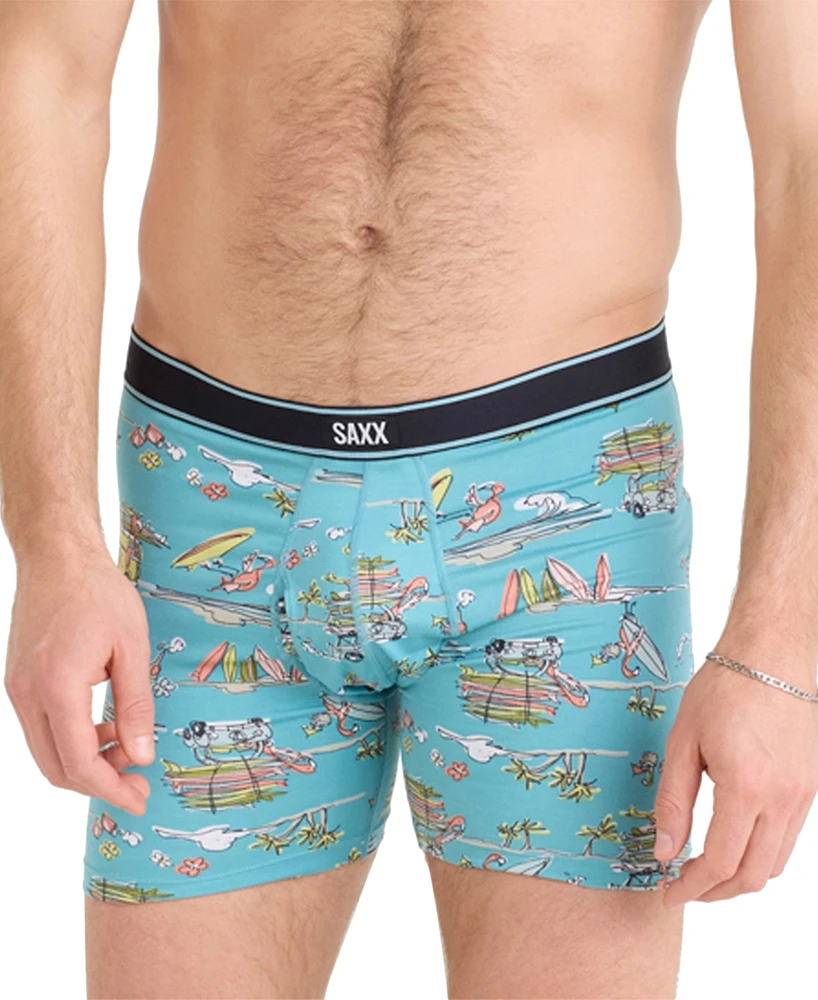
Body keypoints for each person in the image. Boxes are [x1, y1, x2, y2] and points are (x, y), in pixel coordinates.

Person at [2, 2, 818, 998]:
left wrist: (779, 646)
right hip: (210, 505)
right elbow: (40, 76)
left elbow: (805, 161)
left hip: (563, 517)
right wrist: (51, 539)